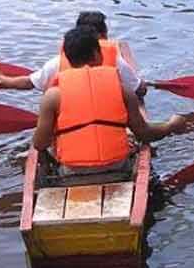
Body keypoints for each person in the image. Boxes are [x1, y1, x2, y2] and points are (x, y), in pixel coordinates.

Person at [30, 27, 184, 173]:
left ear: (68, 59)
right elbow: (144, 134)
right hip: (117, 165)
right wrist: (171, 126)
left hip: (71, 170)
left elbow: (40, 143)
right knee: (133, 144)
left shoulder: (52, 96)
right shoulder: (122, 90)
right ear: (98, 54)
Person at [0, 11, 142, 94]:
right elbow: (139, 89)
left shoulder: (57, 63)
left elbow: (30, 82)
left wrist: (2, 80)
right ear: (104, 35)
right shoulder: (116, 61)